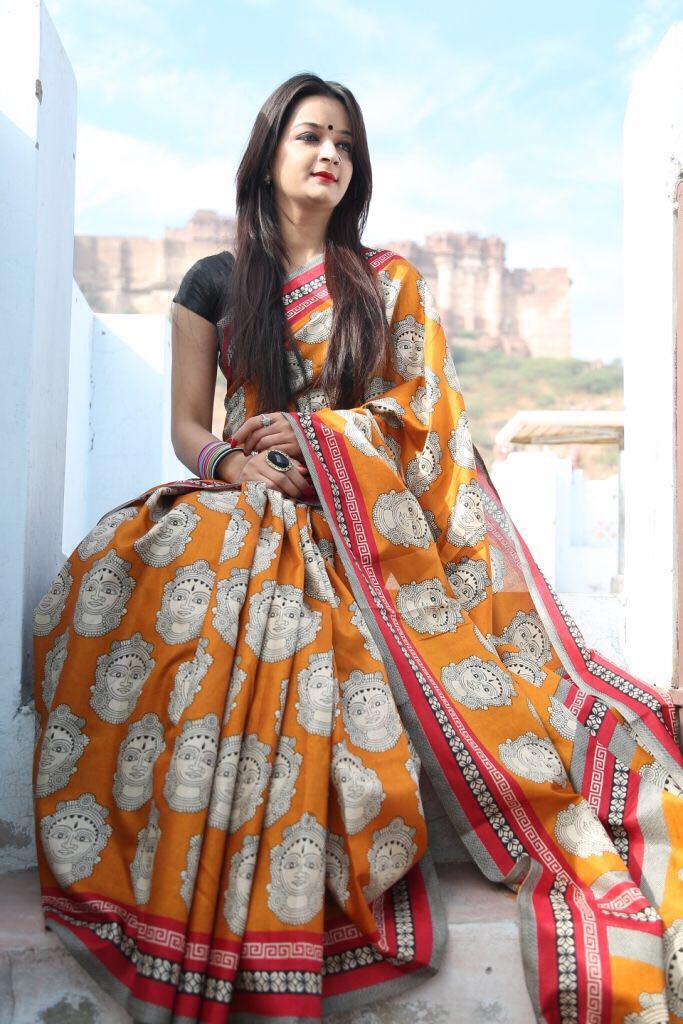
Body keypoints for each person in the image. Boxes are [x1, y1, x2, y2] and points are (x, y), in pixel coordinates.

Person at [32, 72, 683, 1024]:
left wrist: (322, 443)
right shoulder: (214, 281)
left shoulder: (387, 283)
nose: (329, 153)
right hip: (244, 489)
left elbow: (422, 415)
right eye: (310, 136)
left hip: (360, 514)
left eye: (344, 142)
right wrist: (240, 466)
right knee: (116, 572)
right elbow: (186, 427)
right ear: (269, 153)